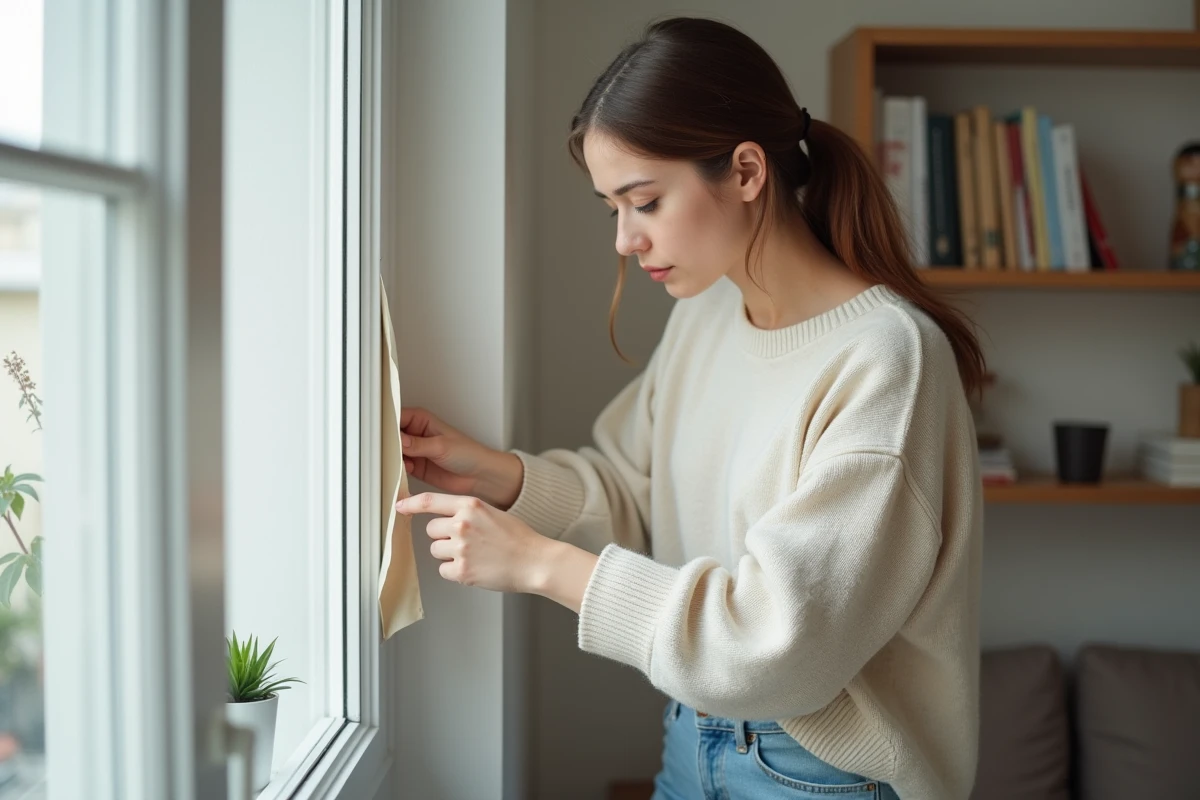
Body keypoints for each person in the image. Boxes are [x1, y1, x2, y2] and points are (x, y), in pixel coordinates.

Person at [394, 16, 985, 800]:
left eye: (644, 201)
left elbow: (776, 642)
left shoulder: (887, 360)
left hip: (820, 772)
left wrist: (541, 565)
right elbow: (639, 495)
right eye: (613, 208)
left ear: (746, 171)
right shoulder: (706, 314)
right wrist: (498, 475)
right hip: (690, 733)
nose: (624, 240)